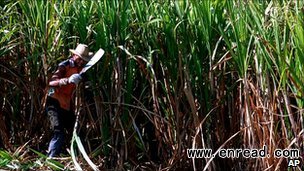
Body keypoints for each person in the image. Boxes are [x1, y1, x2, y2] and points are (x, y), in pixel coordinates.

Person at [45, 44, 92, 157]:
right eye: (79, 58)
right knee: (58, 132)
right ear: (73, 55)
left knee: (76, 130)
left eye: (84, 60)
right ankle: (50, 160)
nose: (81, 62)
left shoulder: (81, 68)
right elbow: (51, 83)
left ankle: (77, 156)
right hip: (53, 104)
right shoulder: (64, 66)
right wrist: (67, 80)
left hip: (66, 105)